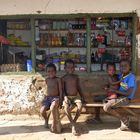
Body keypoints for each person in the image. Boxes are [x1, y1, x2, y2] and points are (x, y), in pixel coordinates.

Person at [103, 59, 137, 131]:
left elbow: (129, 93)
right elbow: (111, 81)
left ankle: (124, 119)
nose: (123, 67)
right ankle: (125, 120)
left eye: (125, 66)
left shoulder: (131, 77)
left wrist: (114, 91)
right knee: (102, 100)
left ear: (130, 67)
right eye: (121, 66)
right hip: (118, 97)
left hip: (126, 98)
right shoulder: (120, 76)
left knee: (106, 107)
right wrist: (106, 86)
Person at [62, 59, 85, 136]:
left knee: (80, 106)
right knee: (66, 108)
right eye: (68, 67)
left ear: (74, 68)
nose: (70, 69)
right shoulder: (63, 78)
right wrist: (65, 97)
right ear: (65, 68)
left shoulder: (76, 77)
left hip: (75, 97)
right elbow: (63, 90)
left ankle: (73, 122)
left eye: (72, 67)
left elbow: (79, 88)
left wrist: (82, 96)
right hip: (67, 97)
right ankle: (72, 124)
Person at [40, 63, 62, 133]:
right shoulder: (47, 79)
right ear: (46, 72)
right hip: (48, 98)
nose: (51, 73)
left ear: (55, 72)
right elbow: (47, 89)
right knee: (42, 110)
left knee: (52, 108)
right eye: (48, 71)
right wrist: (45, 97)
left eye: (52, 71)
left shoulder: (58, 80)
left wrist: (61, 100)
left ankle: (54, 123)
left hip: (56, 98)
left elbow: (61, 91)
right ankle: (46, 120)